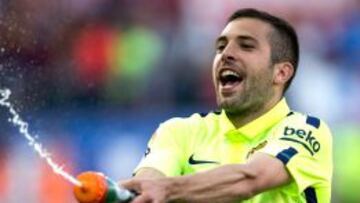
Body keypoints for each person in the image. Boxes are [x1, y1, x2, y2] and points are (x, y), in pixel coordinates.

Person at [121, 8, 333, 203]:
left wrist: (166, 190)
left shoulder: (307, 130)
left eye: (247, 46)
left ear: (281, 72)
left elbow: (250, 179)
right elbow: (148, 185)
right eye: (221, 47)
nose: (226, 54)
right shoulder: (178, 131)